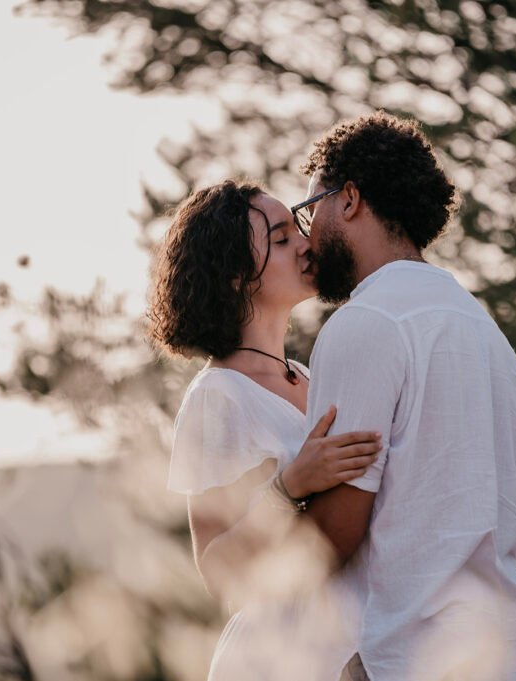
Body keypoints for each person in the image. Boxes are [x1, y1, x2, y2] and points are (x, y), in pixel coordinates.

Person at [292, 112, 516, 681]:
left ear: (349, 199)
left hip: (404, 657)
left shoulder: (365, 323)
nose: (307, 237)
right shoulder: (483, 331)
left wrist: (278, 500)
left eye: (310, 212)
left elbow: (335, 534)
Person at [147, 180, 375, 680]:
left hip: (347, 656)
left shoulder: (312, 377)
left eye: (297, 228)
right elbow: (216, 570)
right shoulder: (218, 398)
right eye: (280, 238)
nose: (306, 243)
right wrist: (290, 486)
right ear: (234, 278)